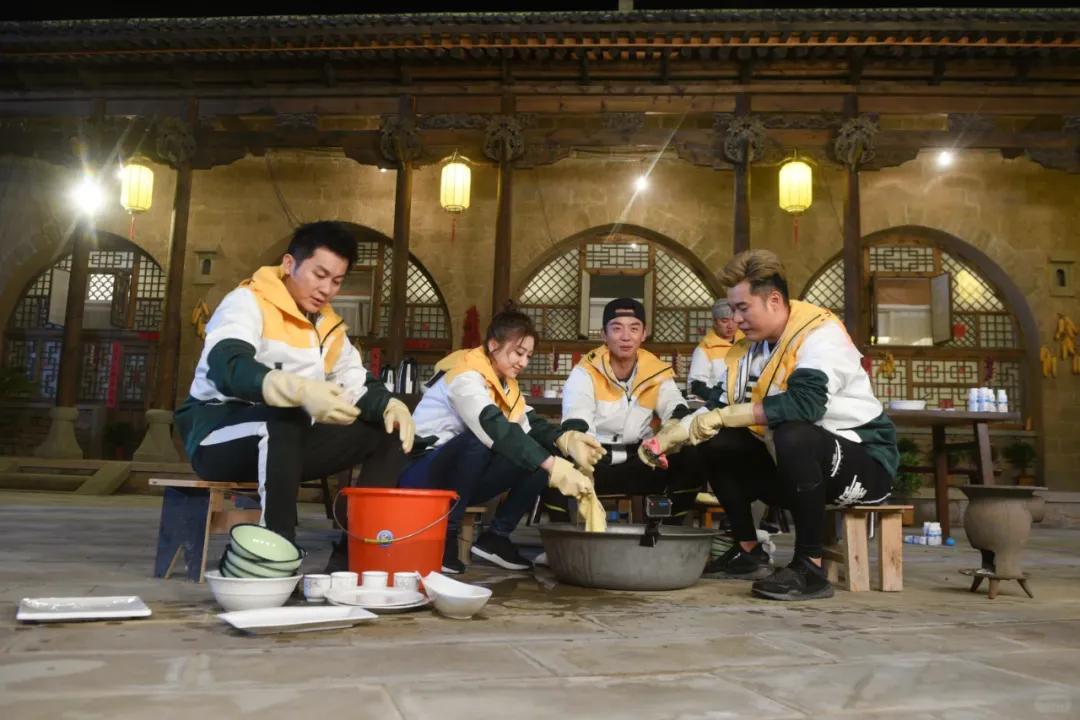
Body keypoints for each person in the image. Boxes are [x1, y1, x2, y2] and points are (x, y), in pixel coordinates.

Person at [653, 249, 898, 601]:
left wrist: (724, 416)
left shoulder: (820, 334)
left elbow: (805, 404)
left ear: (773, 300)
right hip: (794, 469)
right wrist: (670, 437)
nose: (736, 320)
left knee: (793, 431)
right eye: (732, 310)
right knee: (714, 442)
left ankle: (810, 567)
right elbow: (716, 406)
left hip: (862, 464)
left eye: (742, 308)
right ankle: (748, 551)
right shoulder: (749, 350)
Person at [175, 221, 415, 551]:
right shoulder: (247, 302)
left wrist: (389, 404)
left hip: (287, 441)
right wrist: (298, 391)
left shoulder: (329, 327)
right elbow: (227, 365)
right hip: (217, 436)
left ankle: (356, 551)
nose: (327, 289)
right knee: (286, 418)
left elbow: (356, 382)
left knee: (388, 432)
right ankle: (277, 551)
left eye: (336, 281)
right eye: (319, 274)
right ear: (290, 264)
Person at [400, 307, 602, 574]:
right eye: (518, 353)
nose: (524, 362)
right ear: (494, 345)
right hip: (423, 474)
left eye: (528, 355)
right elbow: (492, 425)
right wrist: (554, 466)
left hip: (461, 482)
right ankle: (445, 536)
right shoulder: (465, 375)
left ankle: (496, 537)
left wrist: (565, 439)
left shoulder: (506, 385)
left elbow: (529, 426)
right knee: (479, 441)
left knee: (538, 454)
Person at [543, 298, 703, 528]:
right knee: (550, 454)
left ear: (644, 334)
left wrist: (669, 434)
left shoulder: (656, 371)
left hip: (641, 460)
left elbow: (676, 407)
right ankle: (562, 537)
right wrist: (584, 450)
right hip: (595, 460)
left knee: (693, 455)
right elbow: (577, 418)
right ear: (604, 335)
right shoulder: (585, 371)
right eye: (617, 328)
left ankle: (666, 532)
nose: (626, 337)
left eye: (634, 328)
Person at [687, 299, 741, 400]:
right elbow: (697, 386)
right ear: (715, 322)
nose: (730, 326)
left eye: (734, 320)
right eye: (724, 321)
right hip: (717, 402)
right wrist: (721, 398)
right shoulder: (704, 349)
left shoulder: (748, 343)